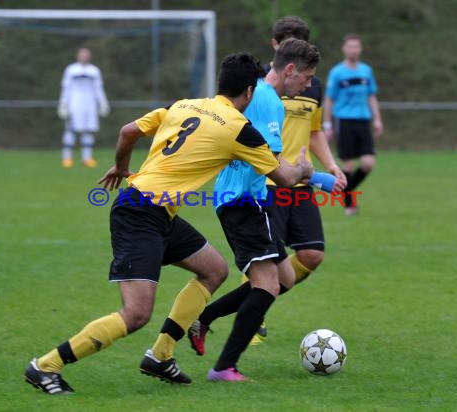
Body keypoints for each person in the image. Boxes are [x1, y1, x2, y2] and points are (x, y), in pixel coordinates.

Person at [24, 52, 313, 394]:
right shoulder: (239, 129)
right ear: (249, 92)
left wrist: (120, 166)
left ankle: (161, 355)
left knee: (214, 270)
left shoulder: (183, 105)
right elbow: (283, 177)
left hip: (156, 210)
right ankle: (45, 366)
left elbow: (128, 130)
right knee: (136, 313)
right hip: (140, 214)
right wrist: (304, 171)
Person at [188, 38, 321, 382]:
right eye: (307, 77)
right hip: (243, 201)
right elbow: (276, 170)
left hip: (248, 199)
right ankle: (224, 367)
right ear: (289, 69)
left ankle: (204, 317)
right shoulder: (267, 102)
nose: (309, 84)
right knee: (267, 286)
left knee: (285, 278)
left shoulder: (256, 93)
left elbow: (265, 158)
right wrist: (308, 172)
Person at [250, 16, 347, 344]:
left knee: (312, 254)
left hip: (302, 181)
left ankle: (259, 300)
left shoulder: (311, 85)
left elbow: (315, 130)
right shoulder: (260, 83)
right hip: (270, 180)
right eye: (285, 40)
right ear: (275, 46)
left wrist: (331, 165)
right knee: (265, 261)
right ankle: (254, 313)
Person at [323, 34, 383, 215]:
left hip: (363, 121)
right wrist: (327, 124)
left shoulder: (366, 71)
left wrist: (378, 118)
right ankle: (350, 205)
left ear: (361, 49)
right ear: (344, 49)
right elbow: (330, 99)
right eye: (350, 46)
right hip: (344, 120)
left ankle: (345, 191)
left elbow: (371, 96)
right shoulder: (337, 72)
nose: (353, 50)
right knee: (347, 165)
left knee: (368, 163)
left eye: (356, 46)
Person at [58, 47, 110, 169]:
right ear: (78, 55)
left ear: (89, 56)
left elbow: (98, 88)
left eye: (86, 55)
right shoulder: (71, 70)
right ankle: (67, 158)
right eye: (82, 54)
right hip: (74, 104)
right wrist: (63, 104)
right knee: (70, 130)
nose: (84, 57)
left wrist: (103, 103)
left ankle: (87, 158)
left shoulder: (94, 70)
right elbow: (66, 88)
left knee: (88, 130)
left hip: (90, 105)